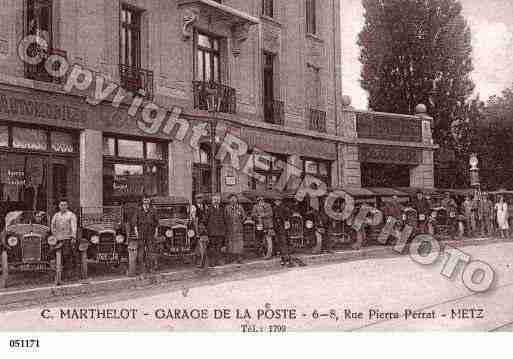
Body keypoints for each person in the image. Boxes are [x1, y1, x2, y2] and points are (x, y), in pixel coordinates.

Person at [51, 199, 78, 283]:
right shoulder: (56, 215)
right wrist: (54, 235)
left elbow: (74, 227)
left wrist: (73, 237)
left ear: (67, 206)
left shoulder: (71, 215)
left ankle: (67, 274)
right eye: (61, 205)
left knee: (67, 255)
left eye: (64, 205)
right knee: (54, 255)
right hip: (57, 239)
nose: (63, 206)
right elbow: (53, 225)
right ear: (59, 206)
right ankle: (57, 273)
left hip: (67, 238)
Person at [132, 197, 160, 274]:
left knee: (151, 250)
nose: (146, 201)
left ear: (149, 201)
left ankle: (151, 268)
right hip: (141, 232)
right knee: (141, 250)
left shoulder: (153, 210)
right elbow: (134, 222)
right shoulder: (138, 210)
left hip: (150, 233)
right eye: (145, 200)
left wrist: (156, 232)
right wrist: (136, 232)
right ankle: (140, 269)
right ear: (142, 201)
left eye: (148, 200)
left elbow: (157, 222)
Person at [204, 194, 227, 267]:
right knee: (212, 248)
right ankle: (212, 262)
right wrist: (207, 230)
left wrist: (224, 230)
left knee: (219, 248)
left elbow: (225, 220)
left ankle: (218, 261)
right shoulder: (209, 210)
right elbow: (205, 220)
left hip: (220, 232)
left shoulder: (222, 209)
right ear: (212, 201)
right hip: (212, 233)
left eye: (217, 200)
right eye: (214, 200)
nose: (216, 201)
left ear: (219, 201)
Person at [224, 194, 246, 264]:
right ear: (229, 200)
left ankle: (239, 258)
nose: (233, 200)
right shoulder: (227, 208)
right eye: (231, 199)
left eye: (234, 199)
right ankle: (230, 258)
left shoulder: (240, 207)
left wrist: (240, 222)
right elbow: (225, 217)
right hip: (230, 228)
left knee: (239, 244)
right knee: (230, 244)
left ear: (237, 200)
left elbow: (244, 216)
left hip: (239, 228)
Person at [272, 197, 292, 267]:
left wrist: (284, 220)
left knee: (283, 243)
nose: (276, 202)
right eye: (275, 201)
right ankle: (284, 258)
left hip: (281, 228)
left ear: (280, 201)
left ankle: (286, 259)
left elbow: (287, 217)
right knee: (282, 243)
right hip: (279, 228)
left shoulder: (282, 208)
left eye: (277, 201)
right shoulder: (276, 208)